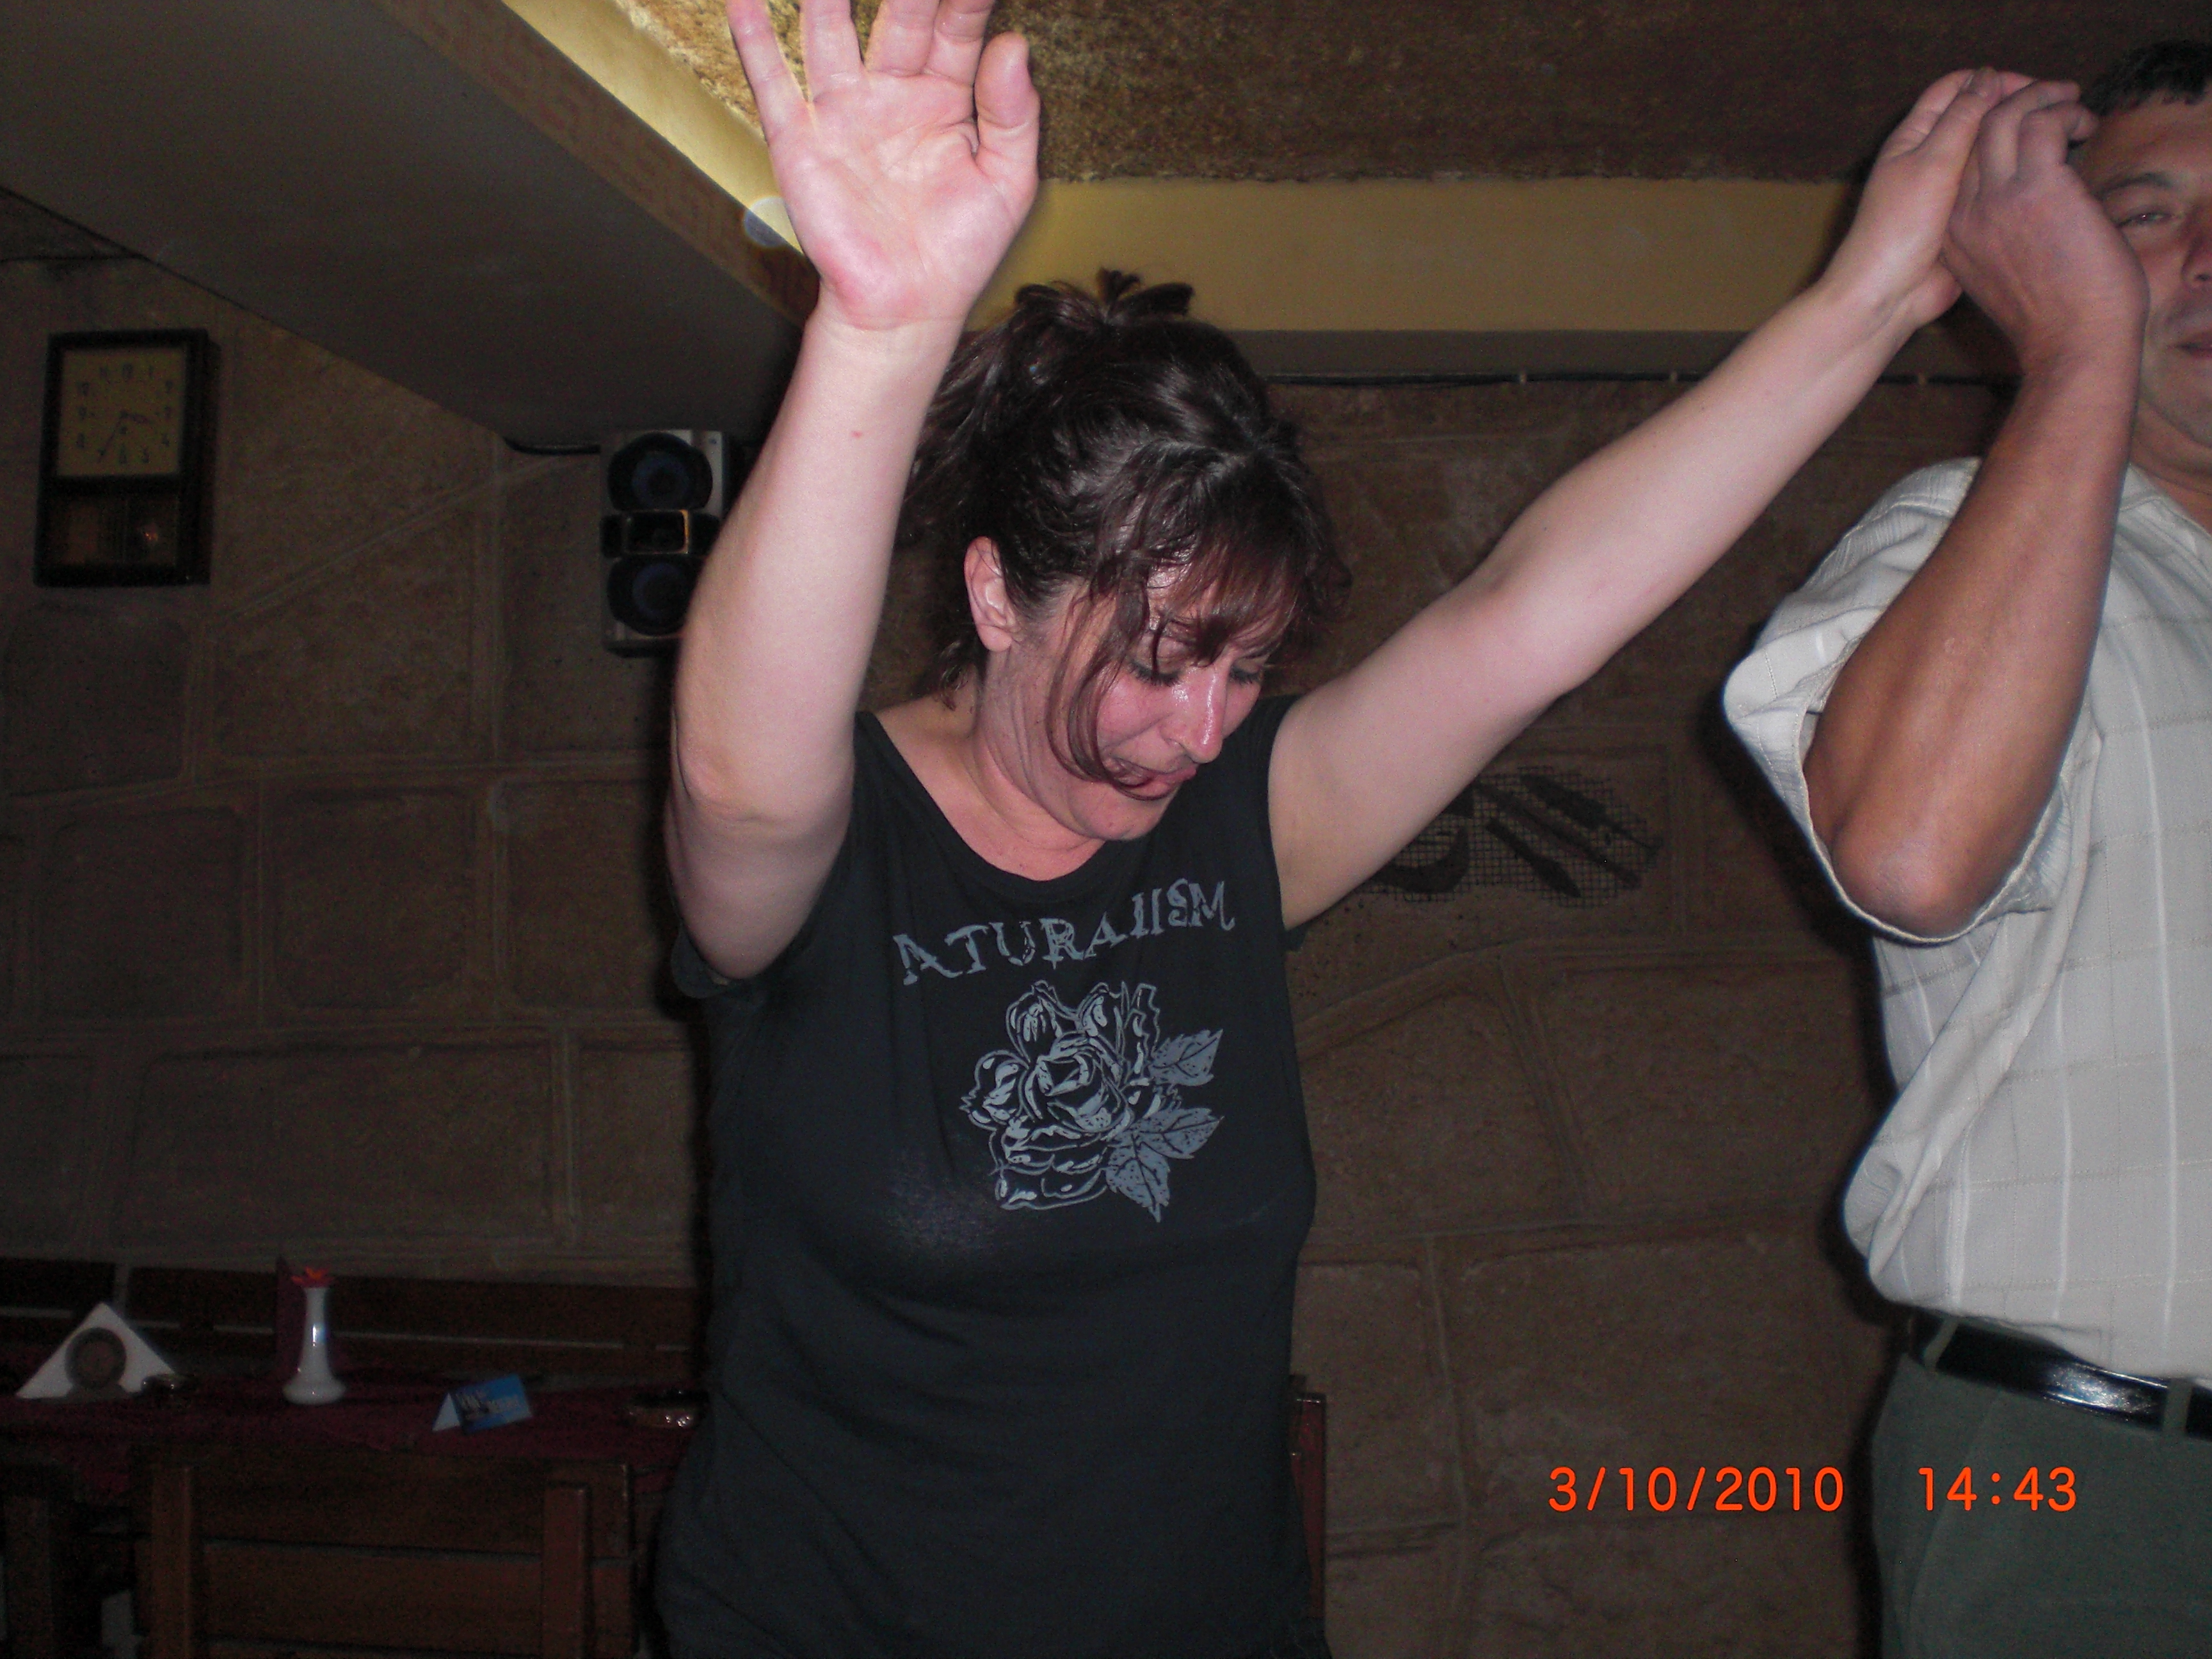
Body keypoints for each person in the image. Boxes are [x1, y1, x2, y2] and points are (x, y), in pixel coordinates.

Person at [657, 0, 2033, 1649]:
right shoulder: (829, 853)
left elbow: (1534, 613)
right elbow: (739, 784)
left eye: (1245, 669)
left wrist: (1870, 296)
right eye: (1158, 662)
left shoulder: (1239, 824)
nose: (1203, 731)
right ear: (998, 596)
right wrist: (879, 333)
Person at [1724, 39, 2212, 1659]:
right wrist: (2080, 358)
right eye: (2149, 217)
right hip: (2093, 1479)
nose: (2211, 257)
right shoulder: (1959, 534)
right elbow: (1913, 856)